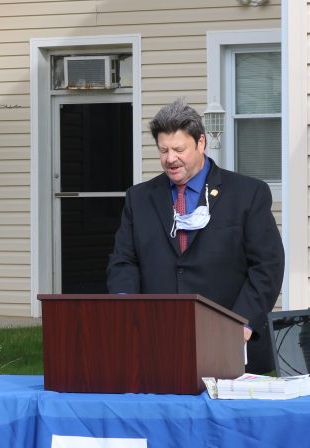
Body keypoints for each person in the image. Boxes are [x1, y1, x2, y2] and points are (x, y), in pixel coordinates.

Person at [106, 99, 284, 373]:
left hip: (231, 345)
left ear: (201, 143)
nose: (170, 158)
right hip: (156, 344)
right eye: (163, 150)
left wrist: (241, 324)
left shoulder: (248, 194)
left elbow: (267, 266)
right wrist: (126, 311)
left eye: (179, 149)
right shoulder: (138, 198)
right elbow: (123, 261)